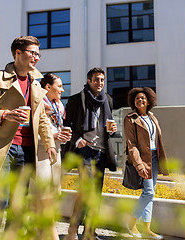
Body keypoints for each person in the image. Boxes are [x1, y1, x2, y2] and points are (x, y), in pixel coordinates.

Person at [0, 36, 58, 229]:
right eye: (32, 52)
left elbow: (41, 118)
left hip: (27, 150)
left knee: (18, 206)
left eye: (38, 53)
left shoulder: (36, 83)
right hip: (3, 148)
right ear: (18, 53)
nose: (36, 57)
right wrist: (5, 115)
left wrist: (50, 143)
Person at [63, 67, 117, 240]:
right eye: (96, 79)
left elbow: (107, 125)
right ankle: (73, 229)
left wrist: (113, 129)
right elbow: (66, 125)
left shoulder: (107, 99)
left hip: (101, 152)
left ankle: (89, 231)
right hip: (84, 151)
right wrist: (78, 140)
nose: (99, 83)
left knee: (96, 194)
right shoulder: (77, 99)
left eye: (102, 79)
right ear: (89, 81)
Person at [124, 87, 168, 240]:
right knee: (148, 192)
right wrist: (139, 164)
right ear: (133, 102)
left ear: (149, 101)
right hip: (143, 160)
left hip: (155, 157)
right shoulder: (130, 118)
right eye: (137, 98)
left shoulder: (153, 117)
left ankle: (147, 229)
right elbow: (132, 145)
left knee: (150, 193)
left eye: (143, 98)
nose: (140, 100)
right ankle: (131, 222)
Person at [36, 73, 72, 239]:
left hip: (55, 153)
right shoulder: (38, 102)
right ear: (48, 87)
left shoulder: (59, 106)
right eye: (59, 86)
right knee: (44, 196)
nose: (62, 90)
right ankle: (52, 234)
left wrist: (62, 136)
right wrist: (53, 137)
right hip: (40, 154)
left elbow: (56, 127)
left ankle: (38, 232)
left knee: (52, 195)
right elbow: (32, 130)